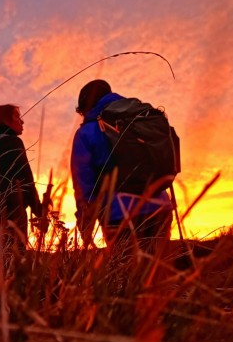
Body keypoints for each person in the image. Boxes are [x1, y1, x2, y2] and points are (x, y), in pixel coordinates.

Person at [71, 79, 173, 251]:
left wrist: (85, 222)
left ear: (86, 107)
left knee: (129, 275)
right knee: (158, 272)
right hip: (160, 208)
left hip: (119, 216)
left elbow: (84, 185)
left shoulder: (86, 132)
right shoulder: (141, 117)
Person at [0, 104, 42, 251]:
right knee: (16, 257)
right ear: (6, 120)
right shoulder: (12, 142)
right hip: (14, 211)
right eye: (17, 117)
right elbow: (26, 178)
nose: (22, 121)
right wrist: (38, 209)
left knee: (2, 257)